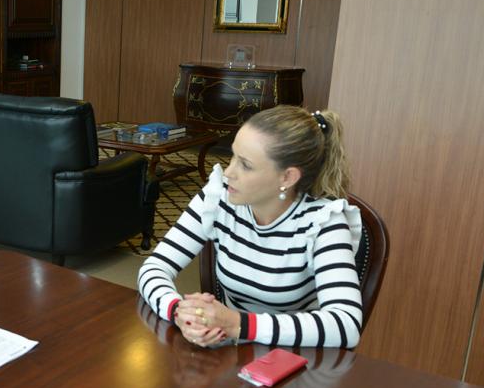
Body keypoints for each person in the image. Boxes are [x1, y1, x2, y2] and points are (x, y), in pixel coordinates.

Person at [138, 105, 362, 349]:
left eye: (245, 165)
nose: (228, 173)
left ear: (287, 177)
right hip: (229, 353)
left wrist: (239, 324)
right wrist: (179, 311)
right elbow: (155, 267)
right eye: (232, 156)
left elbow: (345, 324)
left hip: (294, 360)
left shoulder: (323, 223)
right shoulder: (218, 198)